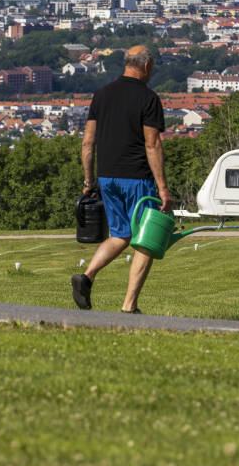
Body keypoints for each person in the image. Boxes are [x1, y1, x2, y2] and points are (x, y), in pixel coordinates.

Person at [71, 46, 172, 314]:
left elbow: (87, 143)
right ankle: (129, 305)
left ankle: (87, 276)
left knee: (120, 234)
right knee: (146, 240)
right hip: (137, 177)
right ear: (147, 66)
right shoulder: (148, 98)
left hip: (107, 178)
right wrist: (163, 189)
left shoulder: (102, 95)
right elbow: (152, 145)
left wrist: (88, 181)